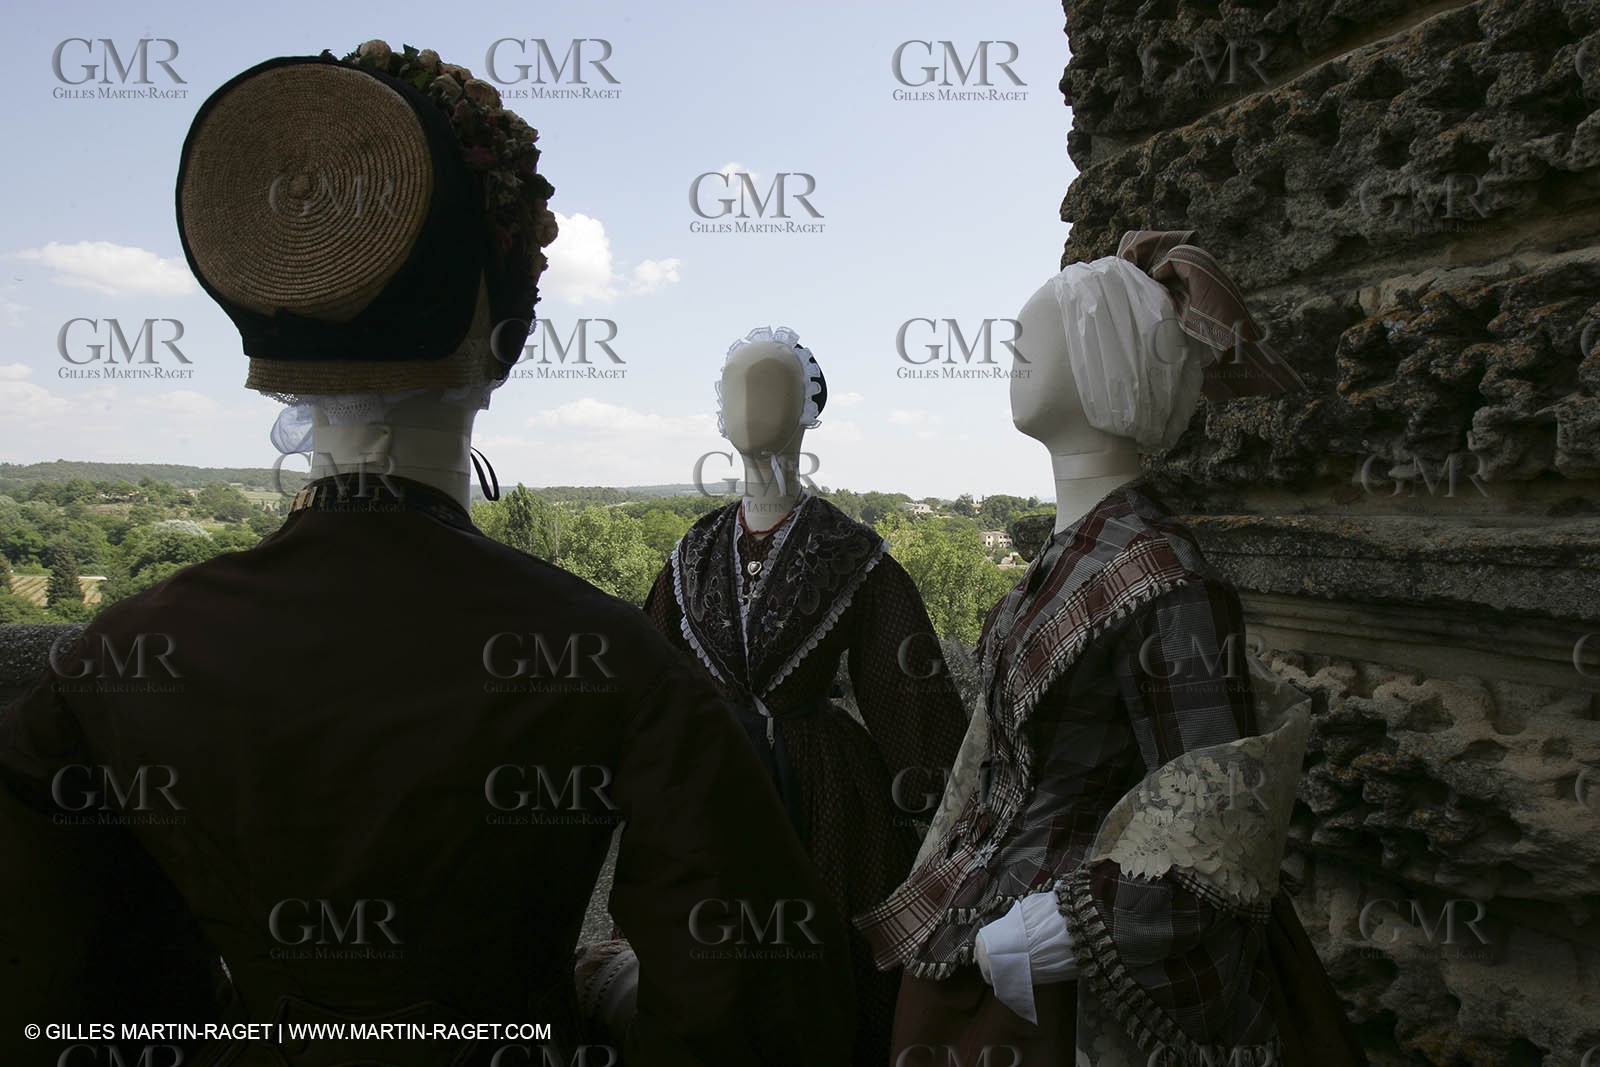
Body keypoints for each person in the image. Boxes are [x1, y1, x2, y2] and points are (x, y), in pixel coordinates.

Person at [0, 42, 853, 1067]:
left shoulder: (107, 662)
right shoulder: (613, 661)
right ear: (504, 340)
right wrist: (609, 988)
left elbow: (61, 1002)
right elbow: (753, 1010)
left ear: (263, 349)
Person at [859, 231, 1367, 1066]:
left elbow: (1216, 841)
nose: (1011, 351)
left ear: (1108, 359)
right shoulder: (1068, 560)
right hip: (987, 958)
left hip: (1069, 994)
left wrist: (1060, 923)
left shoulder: (1170, 580)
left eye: (1036, 335)